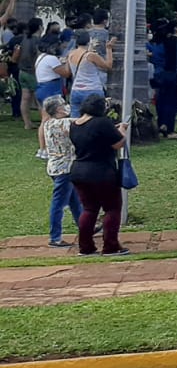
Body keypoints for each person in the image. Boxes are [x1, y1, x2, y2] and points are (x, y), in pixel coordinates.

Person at [69, 94, 128, 256]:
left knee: (89, 209)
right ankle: (110, 246)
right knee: (112, 208)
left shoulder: (74, 125)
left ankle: (85, 247)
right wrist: (122, 130)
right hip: (101, 171)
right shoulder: (102, 122)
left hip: (79, 171)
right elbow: (118, 143)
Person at [40, 95, 80, 248]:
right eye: (63, 104)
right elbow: (83, 122)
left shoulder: (48, 123)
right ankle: (55, 238)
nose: (66, 106)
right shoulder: (63, 123)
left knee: (74, 199)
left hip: (55, 167)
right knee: (59, 203)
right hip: (64, 169)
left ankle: (85, 225)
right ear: (58, 109)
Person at [66, 32, 114, 117]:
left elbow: (68, 71)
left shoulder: (71, 54)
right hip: (92, 89)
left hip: (76, 89)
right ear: (89, 41)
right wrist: (109, 49)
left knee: (75, 118)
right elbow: (108, 66)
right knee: (95, 117)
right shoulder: (90, 55)